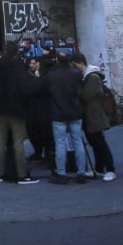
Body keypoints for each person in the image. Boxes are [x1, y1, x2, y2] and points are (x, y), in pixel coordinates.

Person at [0, 42, 40, 184]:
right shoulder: (18, 65)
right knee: (18, 141)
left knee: (0, 140)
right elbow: (24, 86)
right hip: (16, 108)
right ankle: (22, 174)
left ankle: (0, 173)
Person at [43, 52, 87, 184]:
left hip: (58, 113)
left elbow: (45, 91)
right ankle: (81, 172)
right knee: (78, 142)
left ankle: (61, 173)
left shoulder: (51, 75)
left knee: (60, 144)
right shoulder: (76, 73)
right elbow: (80, 90)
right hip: (74, 111)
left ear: (57, 60)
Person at [73, 53, 116, 181]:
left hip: (95, 115)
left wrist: (78, 88)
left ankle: (110, 169)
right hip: (88, 115)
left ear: (80, 63)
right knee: (94, 143)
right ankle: (99, 168)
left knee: (100, 143)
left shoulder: (92, 77)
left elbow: (86, 95)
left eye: (75, 66)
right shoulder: (86, 77)